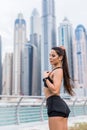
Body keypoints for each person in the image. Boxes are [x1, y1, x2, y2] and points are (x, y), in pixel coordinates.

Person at [43, 46, 74, 130]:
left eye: (53, 56)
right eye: (50, 55)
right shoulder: (56, 70)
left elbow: (55, 90)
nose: (50, 58)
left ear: (60, 58)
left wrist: (45, 78)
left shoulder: (58, 71)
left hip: (55, 106)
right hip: (57, 106)